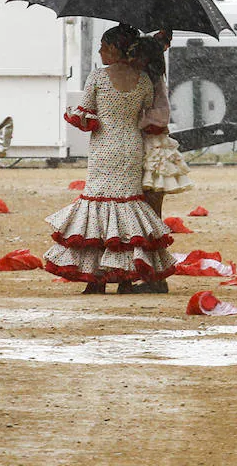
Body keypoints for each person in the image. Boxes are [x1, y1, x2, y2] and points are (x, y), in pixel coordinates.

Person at [43, 24, 177, 294]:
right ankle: (126, 277)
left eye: (104, 46)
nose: (100, 51)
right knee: (125, 210)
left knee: (97, 208)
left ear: (116, 49)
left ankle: (96, 280)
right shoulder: (143, 80)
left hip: (104, 148)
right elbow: (148, 112)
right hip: (131, 146)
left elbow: (86, 114)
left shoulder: (98, 77)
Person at [126, 32, 194, 293]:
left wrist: (133, 119)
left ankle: (155, 276)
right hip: (149, 149)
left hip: (152, 150)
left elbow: (160, 117)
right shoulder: (150, 80)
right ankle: (150, 273)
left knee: (150, 216)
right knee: (146, 216)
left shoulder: (152, 82)